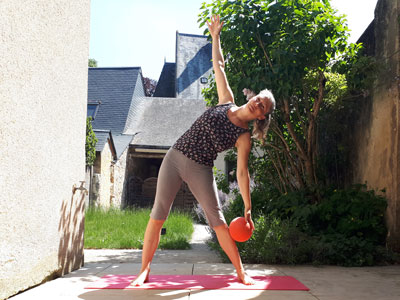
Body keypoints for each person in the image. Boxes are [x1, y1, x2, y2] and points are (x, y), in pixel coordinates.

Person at [131, 15, 275, 286]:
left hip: (200, 168)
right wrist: (216, 36)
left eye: (263, 107)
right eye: (259, 98)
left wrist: (247, 206)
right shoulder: (226, 101)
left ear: (261, 117)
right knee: (158, 213)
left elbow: (242, 173)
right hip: (175, 157)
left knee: (217, 220)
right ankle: (144, 271)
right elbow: (219, 65)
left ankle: (241, 272)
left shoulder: (244, 136)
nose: (258, 104)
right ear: (252, 97)